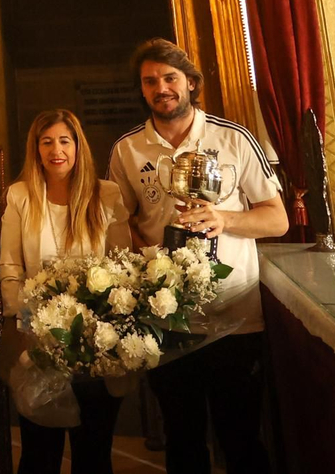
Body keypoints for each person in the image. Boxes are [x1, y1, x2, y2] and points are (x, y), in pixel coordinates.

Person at [105, 39, 288, 474]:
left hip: (235, 314)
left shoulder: (233, 138)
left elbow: (277, 220)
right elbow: (119, 225)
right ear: (142, 90)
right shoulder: (127, 150)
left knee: (241, 438)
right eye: (150, 81)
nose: (161, 88)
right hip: (167, 319)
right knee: (182, 440)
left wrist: (224, 220)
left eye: (170, 78)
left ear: (190, 83)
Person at [1, 109, 133, 474]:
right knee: (39, 454)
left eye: (64, 141)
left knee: (93, 452)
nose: (55, 150)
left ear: (78, 146)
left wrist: (106, 330)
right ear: (36, 149)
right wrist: (23, 326)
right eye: (46, 142)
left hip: (96, 342)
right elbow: (11, 268)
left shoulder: (106, 194)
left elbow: (122, 267)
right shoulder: (20, 196)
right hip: (39, 339)